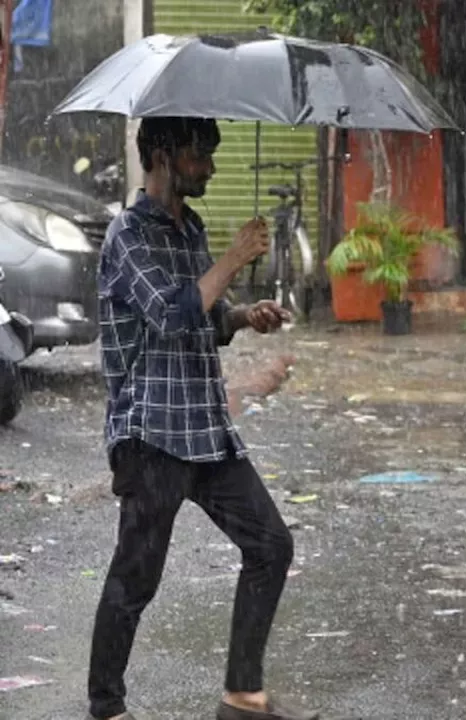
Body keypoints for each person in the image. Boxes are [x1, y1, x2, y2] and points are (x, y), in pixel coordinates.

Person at [88, 117, 316, 720]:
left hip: (204, 429)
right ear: (162, 154)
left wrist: (245, 317)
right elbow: (169, 313)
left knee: (271, 545)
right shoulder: (127, 237)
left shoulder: (190, 229)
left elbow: (205, 319)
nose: (210, 166)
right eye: (200, 154)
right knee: (135, 580)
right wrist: (237, 258)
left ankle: (242, 695)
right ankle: (106, 708)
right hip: (152, 434)